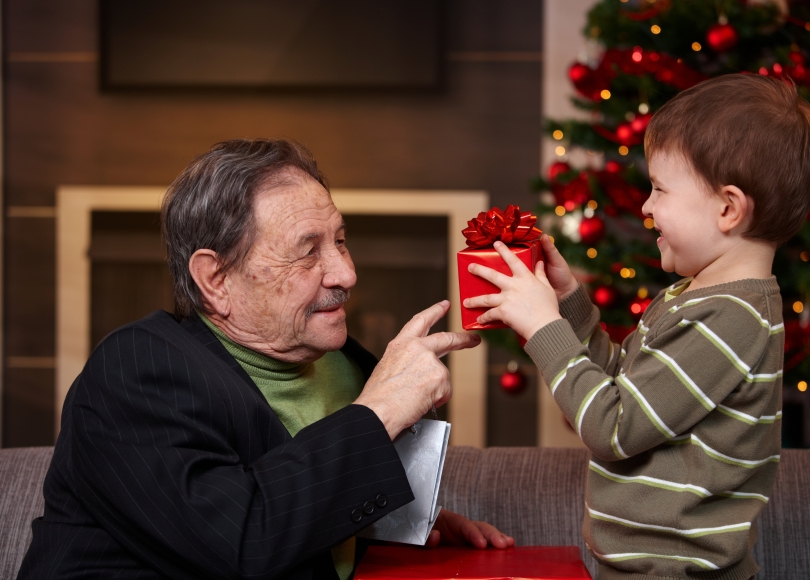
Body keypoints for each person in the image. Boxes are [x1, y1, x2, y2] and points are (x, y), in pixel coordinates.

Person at [18, 139, 513, 580]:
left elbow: (304, 508)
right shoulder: (136, 373)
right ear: (215, 280)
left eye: (339, 240)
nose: (345, 273)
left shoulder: (342, 365)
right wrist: (380, 410)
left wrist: (392, 527)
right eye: (307, 252)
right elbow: (240, 544)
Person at [463, 74, 810, 579]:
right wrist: (568, 307)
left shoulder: (730, 321)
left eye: (660, 189)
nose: (646, 206)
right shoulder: (692, 300)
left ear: (728, 209)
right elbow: (624, 392)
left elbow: (614, 429)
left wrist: (543, 328)